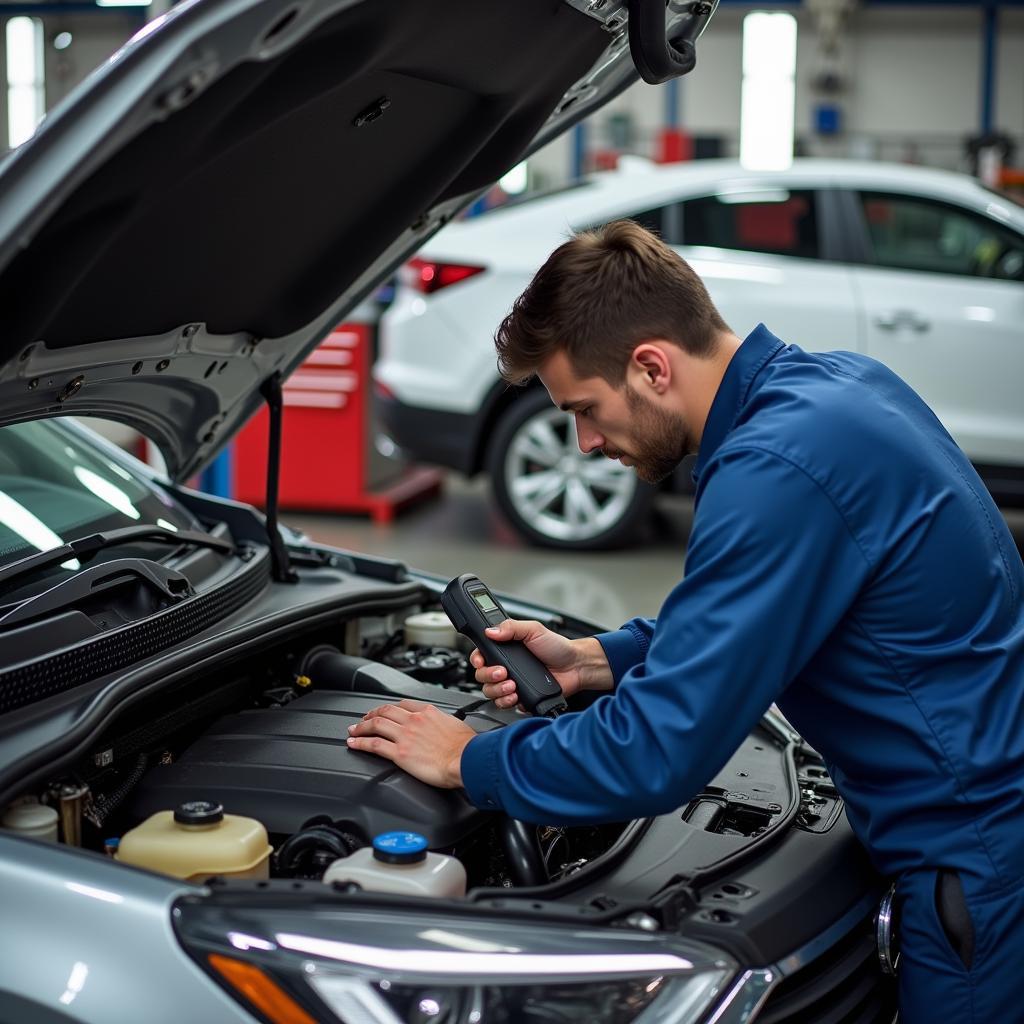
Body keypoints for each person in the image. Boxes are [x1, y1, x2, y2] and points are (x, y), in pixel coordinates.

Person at [346, 220, 1024, 1022]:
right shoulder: (839, 389)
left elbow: (656, 755)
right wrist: (598, 659)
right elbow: (772, 609)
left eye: (585, 408)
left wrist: (471, 760)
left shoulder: (776, 468)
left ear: (651, 367)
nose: (585, 442)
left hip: (969, 862)